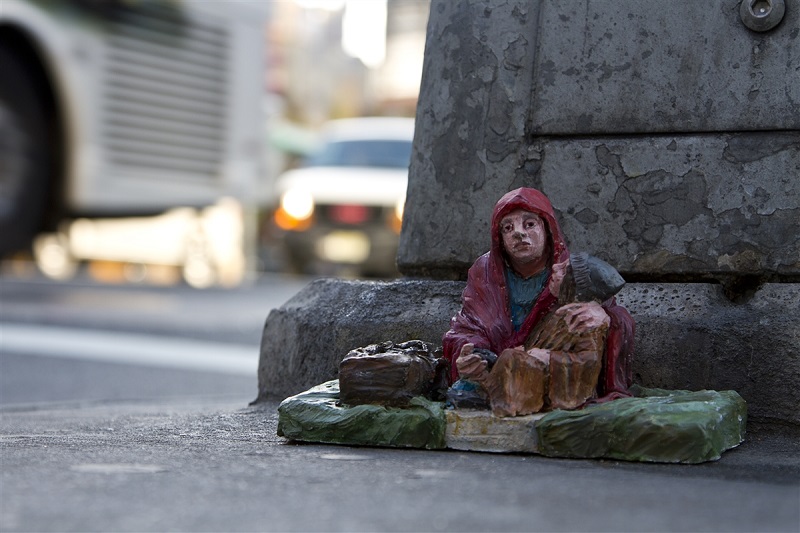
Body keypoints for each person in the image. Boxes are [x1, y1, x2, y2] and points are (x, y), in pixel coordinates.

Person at [442, 187, 635, 412]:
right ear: (499, 238)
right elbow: (467, 327)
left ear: (547, 228)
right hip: (499, 367)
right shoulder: (483, 272)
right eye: (508, 228)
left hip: (542, 374)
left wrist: (604, 316)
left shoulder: (571, 273)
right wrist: (473, 355)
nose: (519, 233)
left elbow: (610, 322)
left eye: (529, 224)